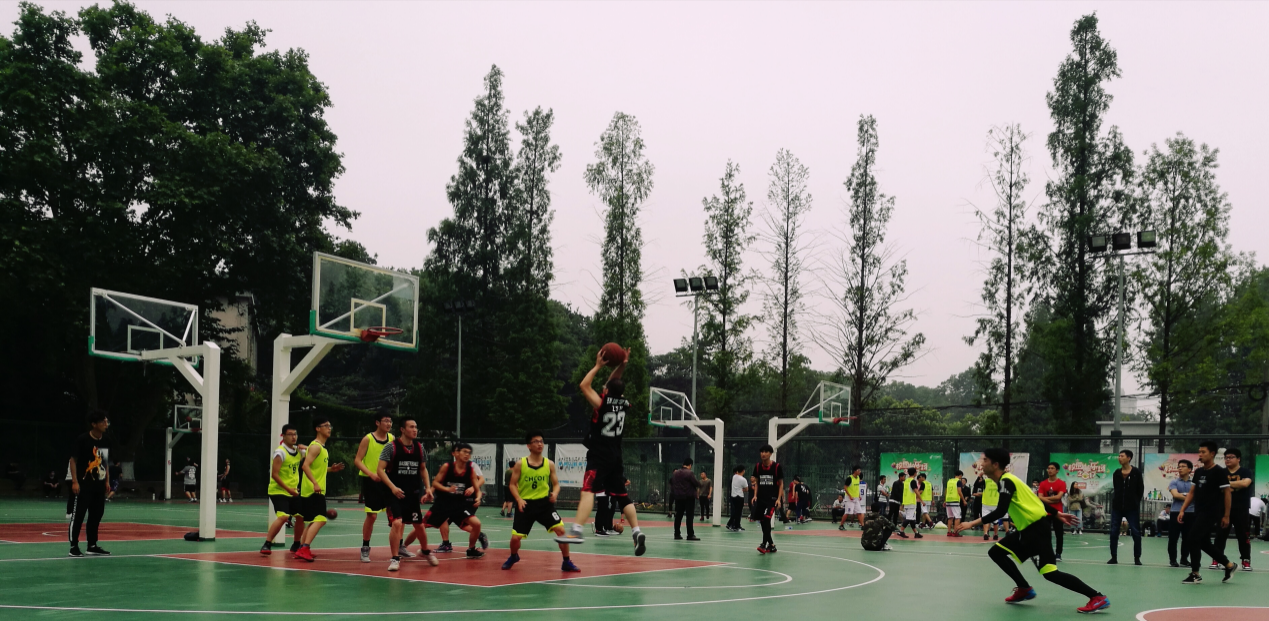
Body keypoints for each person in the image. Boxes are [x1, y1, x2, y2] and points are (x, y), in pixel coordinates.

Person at [954, 449, 1109, 613]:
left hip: (1036, 530)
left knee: (1050, 573)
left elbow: (1000, 511)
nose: (981, 463)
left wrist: (971, 523)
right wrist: (1056, 513)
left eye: (985, 460)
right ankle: (1024, 588)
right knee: (996, 552)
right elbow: (1034, 499)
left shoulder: (1006, 481)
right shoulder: (1008, 480)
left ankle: (1097, 597)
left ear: (995, 464)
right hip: (1027, 530)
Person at [555, 349, 646, 556]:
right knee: (623, 496)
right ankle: (636, 531)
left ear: (606, 390)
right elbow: (614, 383)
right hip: (616, 454)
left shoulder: (601, 403)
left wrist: (597, 366)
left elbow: (584, 385)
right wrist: (623, 364)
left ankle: (576, 531)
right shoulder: (624, 404)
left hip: (599, 454)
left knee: (588, 490)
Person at [503, 430, 578, 571]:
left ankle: (566, 561)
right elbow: (512, 485)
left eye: (541, 441)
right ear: (528, 445)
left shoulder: (549, 464)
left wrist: (555, 493)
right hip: (525, 505)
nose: (539, 444)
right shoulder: (521, 464)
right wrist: (519, 499)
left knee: (561, 530)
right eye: (536, 441)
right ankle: (513, 556)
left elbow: (556, 484)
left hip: (544, 505)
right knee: (515, 539)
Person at [377, 417, 438, 571]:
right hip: (394, 494)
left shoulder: (419, 448)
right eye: (411, 427)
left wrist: (428, 488)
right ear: (402, 429)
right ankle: (395, 558)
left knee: (419, 525)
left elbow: (423, 469)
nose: (414, 430)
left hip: (412, 494)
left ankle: (425, 551)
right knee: (397, 523)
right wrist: (392, 487)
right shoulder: (391, 447)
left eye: (416, 427)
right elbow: (380, 470)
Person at [1176, 440, 1238, 584]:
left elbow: (1227, 493)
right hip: (1198, 511)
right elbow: (1192, 493)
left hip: (1211, 513)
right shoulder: (1199, 472)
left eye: (1203, 452)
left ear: (1212, 454)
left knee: (1192, 538)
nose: (1200, 454)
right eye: (1199, 452)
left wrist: (1226, 515)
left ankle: (1195, 573)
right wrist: (1182, 509)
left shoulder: (1219, 472)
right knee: (1203, 542)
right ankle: (1229, 565)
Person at [294, 417, 345, 562]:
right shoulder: (316, 446)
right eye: (325, 425)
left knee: (312, 521)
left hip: (313, 490)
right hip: (313, 490)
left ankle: (301, 549)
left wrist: (331, 469)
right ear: (317, 428)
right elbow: (305, 466)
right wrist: (315, 483)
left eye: (330, 425)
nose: (329, 428)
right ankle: (305, 548)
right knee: (321, 519)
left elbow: (315, 467)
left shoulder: (321, 448)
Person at [426, 442, 486, 558]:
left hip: (464, 500)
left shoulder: (471, 467)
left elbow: (481, 480)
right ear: (454, 453)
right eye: (462, 451)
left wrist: (473, 489)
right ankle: (447, 543)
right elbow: (438, 482)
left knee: (465, 522)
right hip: (448, 501)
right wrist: (430, 492)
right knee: (447, 521)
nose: (465, 454)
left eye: (468, 452)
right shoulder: (448, 467)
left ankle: (474, 538)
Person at [68, 411, 113, 558]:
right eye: (102, 422)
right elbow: (73, 460)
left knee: (96, 515)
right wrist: (75, 481)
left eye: (106, 421)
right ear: (94, 424)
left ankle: (92, 545)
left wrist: (107, 481)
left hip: (99, 485)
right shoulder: (83, 439)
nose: (105, 424)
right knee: (79, 515)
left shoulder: (106, 440)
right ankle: (74, 546)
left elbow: (105, 462)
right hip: (83, 484)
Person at [353, 413, 395, 563]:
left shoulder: (392, 439)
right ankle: (365, 547)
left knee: (396, 515)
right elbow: (357, 460)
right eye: (386, 421)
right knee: (372, 516)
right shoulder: (368, 439)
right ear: (377, 422)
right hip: (371, 481)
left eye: (390, 421)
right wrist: (371, 474)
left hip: (388, 480)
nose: (389, 424)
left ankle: (399, 546)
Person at [261, 424, 307, 555]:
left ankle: (296, 544)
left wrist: (307, 447)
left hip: (293, 491)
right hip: (278, 490)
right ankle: (267, 543)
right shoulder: (280, 452)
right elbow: (274, 474)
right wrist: (288, 489)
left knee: (301, 517)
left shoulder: (299, 452)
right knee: (284, 516)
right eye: (290, 434)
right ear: (283, 436)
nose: (293, 437)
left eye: (295, 434)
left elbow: (315, 454)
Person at [1219, 448, 1254, 571]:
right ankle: (1217, 559)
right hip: (1223, 509)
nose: (1228, 459)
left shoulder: (1246, 471)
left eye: (1231, 457)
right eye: (1226, 457)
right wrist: (1236, 484)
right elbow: (1216, 486)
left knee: (1243, 535)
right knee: (1220, 535)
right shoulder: (1220, 472)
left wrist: (1225, 484)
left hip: (1241, 508)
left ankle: (1246, 560)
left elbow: (1245, 484)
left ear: (1238, 459)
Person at [1108, 449, 1144, 565]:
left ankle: (1137, 557)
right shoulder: (1117, 473)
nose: (1119, 458)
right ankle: (1113, 557)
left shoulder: (1136, 473)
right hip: (1117, 507)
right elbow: (1116, 488)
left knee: (1136, 532)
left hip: (1132, 508)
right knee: (1114, 531)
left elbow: (1140, 489)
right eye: (1119, 456)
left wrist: (1135, 502)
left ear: (1129, 458)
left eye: (1122, 456)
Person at [752, 444, 784, 554]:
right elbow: (756, 482)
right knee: (762, 521)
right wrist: (755, 495)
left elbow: (781, 484)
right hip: (761, 498)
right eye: (762, 452)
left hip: (772, 499)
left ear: (770, 454)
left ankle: (763, 544)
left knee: (766, 519)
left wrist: (779, 499)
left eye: (766, 452)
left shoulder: (776, 467)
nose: (763, 454)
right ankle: (771, 545)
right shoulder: (758, 467)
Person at [1037, 462, 1067, 561]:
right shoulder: (1043, 483)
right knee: (1045, 534)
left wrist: (1046, 499)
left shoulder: (1061, 483)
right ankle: (1047, 553)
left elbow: (1059, 497)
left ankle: (1058, 554)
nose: (1050, 470)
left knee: (1059, 534)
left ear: (1057, 470)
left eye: (1052, 468)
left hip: (1058, 512)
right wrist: (1051, 499)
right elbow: (1039, 497)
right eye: (1048, 468)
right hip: (1045, 512)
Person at [1167, 459, 1194, 568]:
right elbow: (1176, 495)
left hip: (1191, 513)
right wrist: (1190, 496)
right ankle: (1173, 560)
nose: (1180, 468)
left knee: (1188, 538)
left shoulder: (1193, 483)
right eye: (1179, 466)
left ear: (1189, 469)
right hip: (1176, 512)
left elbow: (1197, 496)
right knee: (1173, 538)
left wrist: (1184, 495)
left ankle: (1184, 559)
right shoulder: (1174, 482)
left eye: (1183, 466)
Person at [670, 458, 702, 540]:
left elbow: (673, 483)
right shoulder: (689, 473)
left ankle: (677, 534)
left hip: (678, 497)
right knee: (689, 516)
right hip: (689, 497)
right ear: (690, 465)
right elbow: (696, 483)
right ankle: (690, 534)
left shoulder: (676, 473)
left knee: (678, 516)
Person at [896, 468, 922, 539]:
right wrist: (921, 500)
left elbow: (904, 493)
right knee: (909, 518)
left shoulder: (906, 481)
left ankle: (916, 533)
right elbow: (916, 491)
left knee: (911, 519)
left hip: (906, 502)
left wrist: (903, 504)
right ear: (915, 473)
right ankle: (901, 531)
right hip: (911, 502)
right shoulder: (913, 481)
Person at [839, 465, 865, 530]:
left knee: (859, 512)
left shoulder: (858, 478)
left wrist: (859, 496)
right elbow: (845, 488)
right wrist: (850, 496)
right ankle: (841, 525)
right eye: (858, 470)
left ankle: (862, 525)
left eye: (860, 470)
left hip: (856, 499)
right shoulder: (849, 478)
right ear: (854, 471)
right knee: (847, 513)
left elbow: (857, 488)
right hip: (849, 499)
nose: (860, 471)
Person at [945, 470, 966, 537]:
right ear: (960, 475)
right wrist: (963, 500)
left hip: (948, 500)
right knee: (957, 517)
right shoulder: (958, 481)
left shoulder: (949, 481)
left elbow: (946, 491)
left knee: (950, 517)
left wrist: (945, 500)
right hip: (955, 501)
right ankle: (955, 532)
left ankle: (949, 532)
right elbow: (959, 491)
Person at [981, 474, 1002, 541]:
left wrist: (979, 476)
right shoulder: (1000, 481)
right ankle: (995, 534)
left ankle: (985, 533)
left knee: (985, 519)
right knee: (995, 521)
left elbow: (977, 484)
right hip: (996, 503)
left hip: (986, 503)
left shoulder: (986, 481)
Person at [727, 465, 747, 532]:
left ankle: (733, 524)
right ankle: (735, 526)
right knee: (738, 512)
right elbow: (746, 489)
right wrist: (742, 489)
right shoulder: (743, 479)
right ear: (743, 471)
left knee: (734, 511)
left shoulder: (734, 477)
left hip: (733, 496)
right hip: (740, 497)